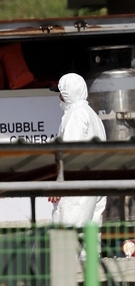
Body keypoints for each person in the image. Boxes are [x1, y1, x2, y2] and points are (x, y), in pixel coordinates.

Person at [48, 73, 107, 257]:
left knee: (67, 242)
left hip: (76, 188)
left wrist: (58, 184)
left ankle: (70, 283)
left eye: (61, 93)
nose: (59, 97)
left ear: (67, 94)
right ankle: (92, 283)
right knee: (90, 243)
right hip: (94, 185)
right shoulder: (93, 116)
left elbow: (69, 153)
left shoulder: (75, 114)